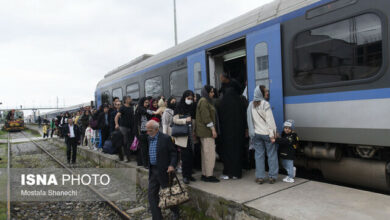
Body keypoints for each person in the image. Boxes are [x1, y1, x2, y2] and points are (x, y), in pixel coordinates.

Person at [145, 120, 179, 220]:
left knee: (168, 194)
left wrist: (172, 165)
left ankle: (175, 212)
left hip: (165, 170)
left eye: (149, 130)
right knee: (152, 195)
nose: (147, 132)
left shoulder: (166, 138)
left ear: (156, 129)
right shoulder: (148, 138)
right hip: (153, 170)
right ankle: (157, 217)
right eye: (147, 130)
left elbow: (174, 153)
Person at [217, 72, 247, 180]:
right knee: (238, 150)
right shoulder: (241, 102)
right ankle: (237, 173)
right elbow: (244, 118)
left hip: (227, 133)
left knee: (228, 152)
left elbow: (219, 118)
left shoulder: (223, 103)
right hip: (238, 132)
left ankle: (228, 172)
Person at [247, 85, 278, 184]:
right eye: (265, 92)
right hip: (266, 134)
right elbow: (270, 121)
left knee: (259, 156)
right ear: (261, 93)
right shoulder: (265, 104)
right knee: (271, 155)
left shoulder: (251, 105)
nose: (267, 93)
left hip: (256, 134)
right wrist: (272, 134)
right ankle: (272, 176)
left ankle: (260, 177)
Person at [195, 85, 219, 183]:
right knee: (210, 154)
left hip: (204, 132)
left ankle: (205, 174)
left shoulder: (203, 101)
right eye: (211, 92)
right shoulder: (204, 101)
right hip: (207, 132)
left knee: (205, 154)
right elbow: (206, 118)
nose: (213, 94)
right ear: (207, 93)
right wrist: (213, 129)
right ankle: (209, 175)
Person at [172, 90, 196, 184]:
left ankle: (189, 174)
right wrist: (185, 120)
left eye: (191, 98)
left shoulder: (192, 107)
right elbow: (175, 120)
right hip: (183, 135)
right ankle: (185, 176)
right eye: (188, 98)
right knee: (185, 157)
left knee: (191, 156)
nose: (190, 100)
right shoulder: (179, 106)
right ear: (184, 98)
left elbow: (194, 120)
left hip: (191, 134)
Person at [115, 96, 135, 162]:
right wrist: (117, 124)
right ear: (126, 100)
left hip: (131, 127)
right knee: (125, 142)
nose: (131, 99)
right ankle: (126, 157)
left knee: (130, 142)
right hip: (124, 127)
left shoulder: (131, 107)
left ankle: (130, 156)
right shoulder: (122, 108)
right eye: (129, 99)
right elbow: (117, 116)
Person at [135, 97, 153, 167]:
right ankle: (145, 164)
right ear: (142, 102)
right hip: (141, 132)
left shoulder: (146, 109)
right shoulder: (139, 109)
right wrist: (155, 112)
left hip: (147, 131)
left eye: (148, 102)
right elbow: (145, 112)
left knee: (147, 148)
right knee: (144, 149)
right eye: (145, 102)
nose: (147, 104)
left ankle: (145, 163)